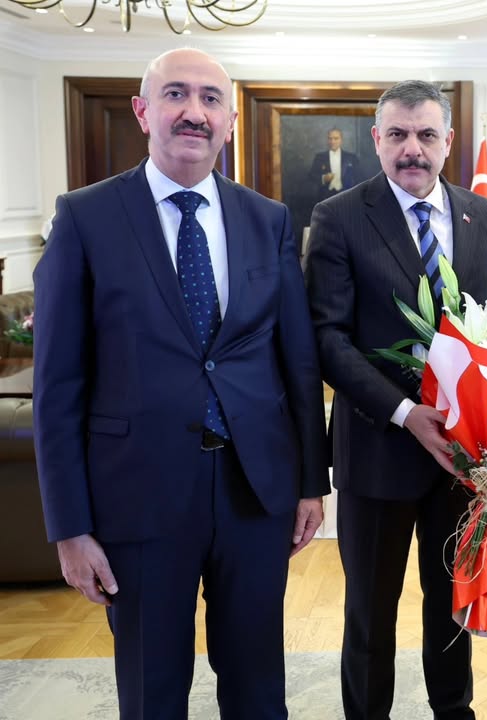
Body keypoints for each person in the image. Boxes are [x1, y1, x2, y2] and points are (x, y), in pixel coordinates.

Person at [32, 48, 329, 719]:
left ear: (228, 120)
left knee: (258, 687)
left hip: (256, 492)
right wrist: (70, 527)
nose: (193, 112)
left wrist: (312, 480)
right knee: (152, 688)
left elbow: (297, 360)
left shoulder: (268, 219)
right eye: (174, 95)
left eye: (209, 99)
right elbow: (57, 385)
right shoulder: (86, 218)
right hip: (136, 497)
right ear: (143, 112)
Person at [304, 79, 487, 720]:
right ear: (376, 139)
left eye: (426, 134)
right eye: (397, 134)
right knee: (370, 613)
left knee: (449, 603)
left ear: (447, 141)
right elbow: (327, 338)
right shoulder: (339, 218)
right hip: (377, 453)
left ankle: (452, 710)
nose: (412, 149)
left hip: (464, 458)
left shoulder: (483, 216)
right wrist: (405, 414)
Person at [308, 128, 362, 203]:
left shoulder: (351, 158)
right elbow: (311, 176)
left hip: (346, 196)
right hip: (325, 197)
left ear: (341, 140)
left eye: (336, 138)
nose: (332, 141)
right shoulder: (319, 157)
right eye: (330, 139)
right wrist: (324, 178)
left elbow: (359, 178)